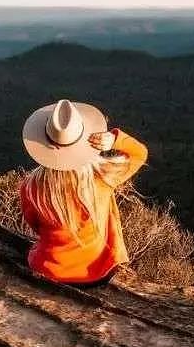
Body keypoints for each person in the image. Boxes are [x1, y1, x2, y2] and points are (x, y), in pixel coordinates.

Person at [20, 99, 148, 287]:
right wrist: (114, 139)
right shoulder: (103, 177)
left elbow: (35, 226)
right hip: (97, 271)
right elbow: (140, 153)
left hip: (48, 270)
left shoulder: (30, 186)